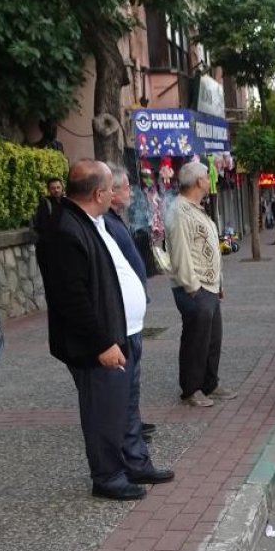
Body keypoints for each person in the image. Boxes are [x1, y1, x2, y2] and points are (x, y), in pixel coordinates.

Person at [35, 160, 175, 500]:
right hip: (102, 343)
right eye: (111, 187)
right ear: (98, 193)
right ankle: (108, 477)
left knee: (126, 406)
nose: (115, 193)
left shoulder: (95, 220)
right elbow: (72, 299)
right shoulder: (64, 230)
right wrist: (102, 343)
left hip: (125, 332)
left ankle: (135, 463)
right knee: (103, 413)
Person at [166, 161, 238, 407]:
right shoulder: (178, 211)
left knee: (212, 338)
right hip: (194, 287)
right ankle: (191, 389)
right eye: (207, 177)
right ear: (198, 181)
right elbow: (180, 252)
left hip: (209, 285)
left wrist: (218, 283)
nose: (210, 180)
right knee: (195, 340)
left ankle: (210, 383)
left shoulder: (196, 208)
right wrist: (192, 286)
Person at [105, 164, 157, 445]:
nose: (131, 193)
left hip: (132, 320)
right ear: (110, 192)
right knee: (126, 379)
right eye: (125, 187)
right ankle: (128, 430)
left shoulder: (115, 219)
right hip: (121, 321)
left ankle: (132, 423)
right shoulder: (106, 223)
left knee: (133, 380)